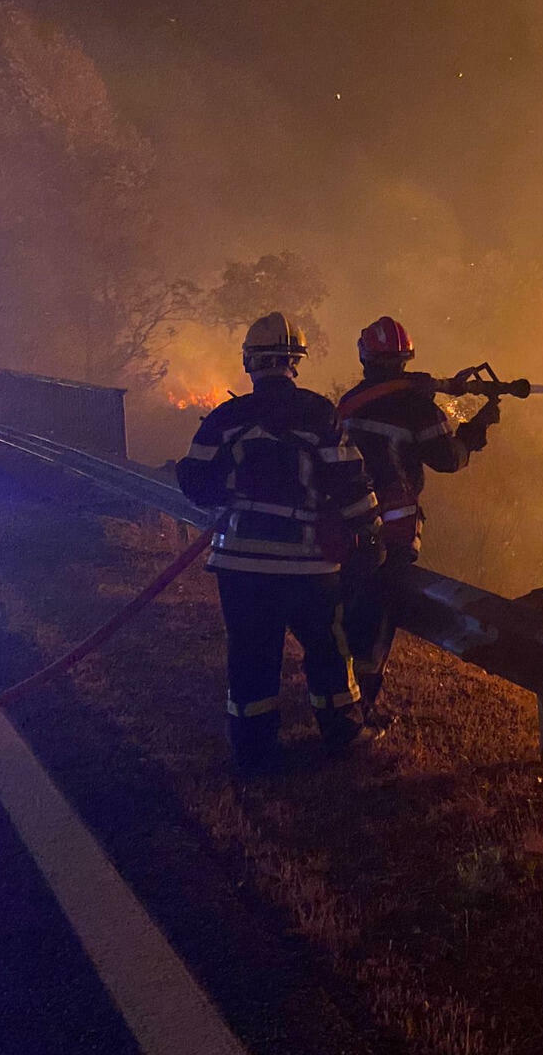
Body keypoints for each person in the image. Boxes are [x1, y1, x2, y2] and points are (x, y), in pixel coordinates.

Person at [176, 312, 383, 773]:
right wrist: (369, 535)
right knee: (328, 651)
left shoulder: (227, 418)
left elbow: (192, 479)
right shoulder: (319, 414)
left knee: (251, 655)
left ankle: (254, 750)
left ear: (250, 362)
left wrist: (230, 496)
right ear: (296, 363)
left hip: (241, 564)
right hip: (309, 568)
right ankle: (343, 735)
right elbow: (353, 484)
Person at [338, 316, 500, 726]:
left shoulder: (350, 401)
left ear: (365, 357)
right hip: (391, 533)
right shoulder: (418, 408)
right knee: (376, 618)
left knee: (344, 610)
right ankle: (361, 707)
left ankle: (336, 693)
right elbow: (449, 459)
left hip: (343, 527)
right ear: (406, 358)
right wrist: (477, 428)